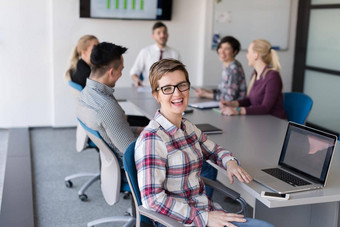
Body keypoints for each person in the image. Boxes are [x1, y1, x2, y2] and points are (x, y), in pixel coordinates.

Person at [135, 59, 274, 227]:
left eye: (182, 85)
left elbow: (214, 150)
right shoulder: (152, 139)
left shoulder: (187, 127)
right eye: (167, 89)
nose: (177, 93)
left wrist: (229, 162)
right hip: (181, 222)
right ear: (156, 95)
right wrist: (204, 218)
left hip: (207, 212)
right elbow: (152, 200)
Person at [77, 42, 142, 160]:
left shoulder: (85, 94)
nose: (121, 74)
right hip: (131, 166)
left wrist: (138, 129)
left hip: (111, 159)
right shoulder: (107, 107)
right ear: (111, 72)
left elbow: (112, 130)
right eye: (121, 70)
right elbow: (131, 151)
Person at [219, 39, 286, 119]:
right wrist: (232, 104)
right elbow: (249, 100)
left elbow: (265, 108)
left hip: (274, 122)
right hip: (260, 120)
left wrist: (238, 110)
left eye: (248, 52)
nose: (247, 55)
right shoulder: (255, 74)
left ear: (256, 55)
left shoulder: (273, 77)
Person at [195, 36, 247, 101]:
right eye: (221, 47)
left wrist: (205, 95)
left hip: (233, 107)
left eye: (227, 49)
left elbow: (230, 98)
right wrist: (207, 91)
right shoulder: (226, 65)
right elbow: (223, 90)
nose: (222, 51)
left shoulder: (234, 68)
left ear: (235, 52)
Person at [130, 22, 180, 87]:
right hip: (148, 88)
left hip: (169, 89)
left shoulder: (174, 54)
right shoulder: (145, 52)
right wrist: (137, 80)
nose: (162, 35)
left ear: (167, 35)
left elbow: (179, 74)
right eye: (159, 33)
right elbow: (133, 72)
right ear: (153, 36)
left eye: (164, 32)